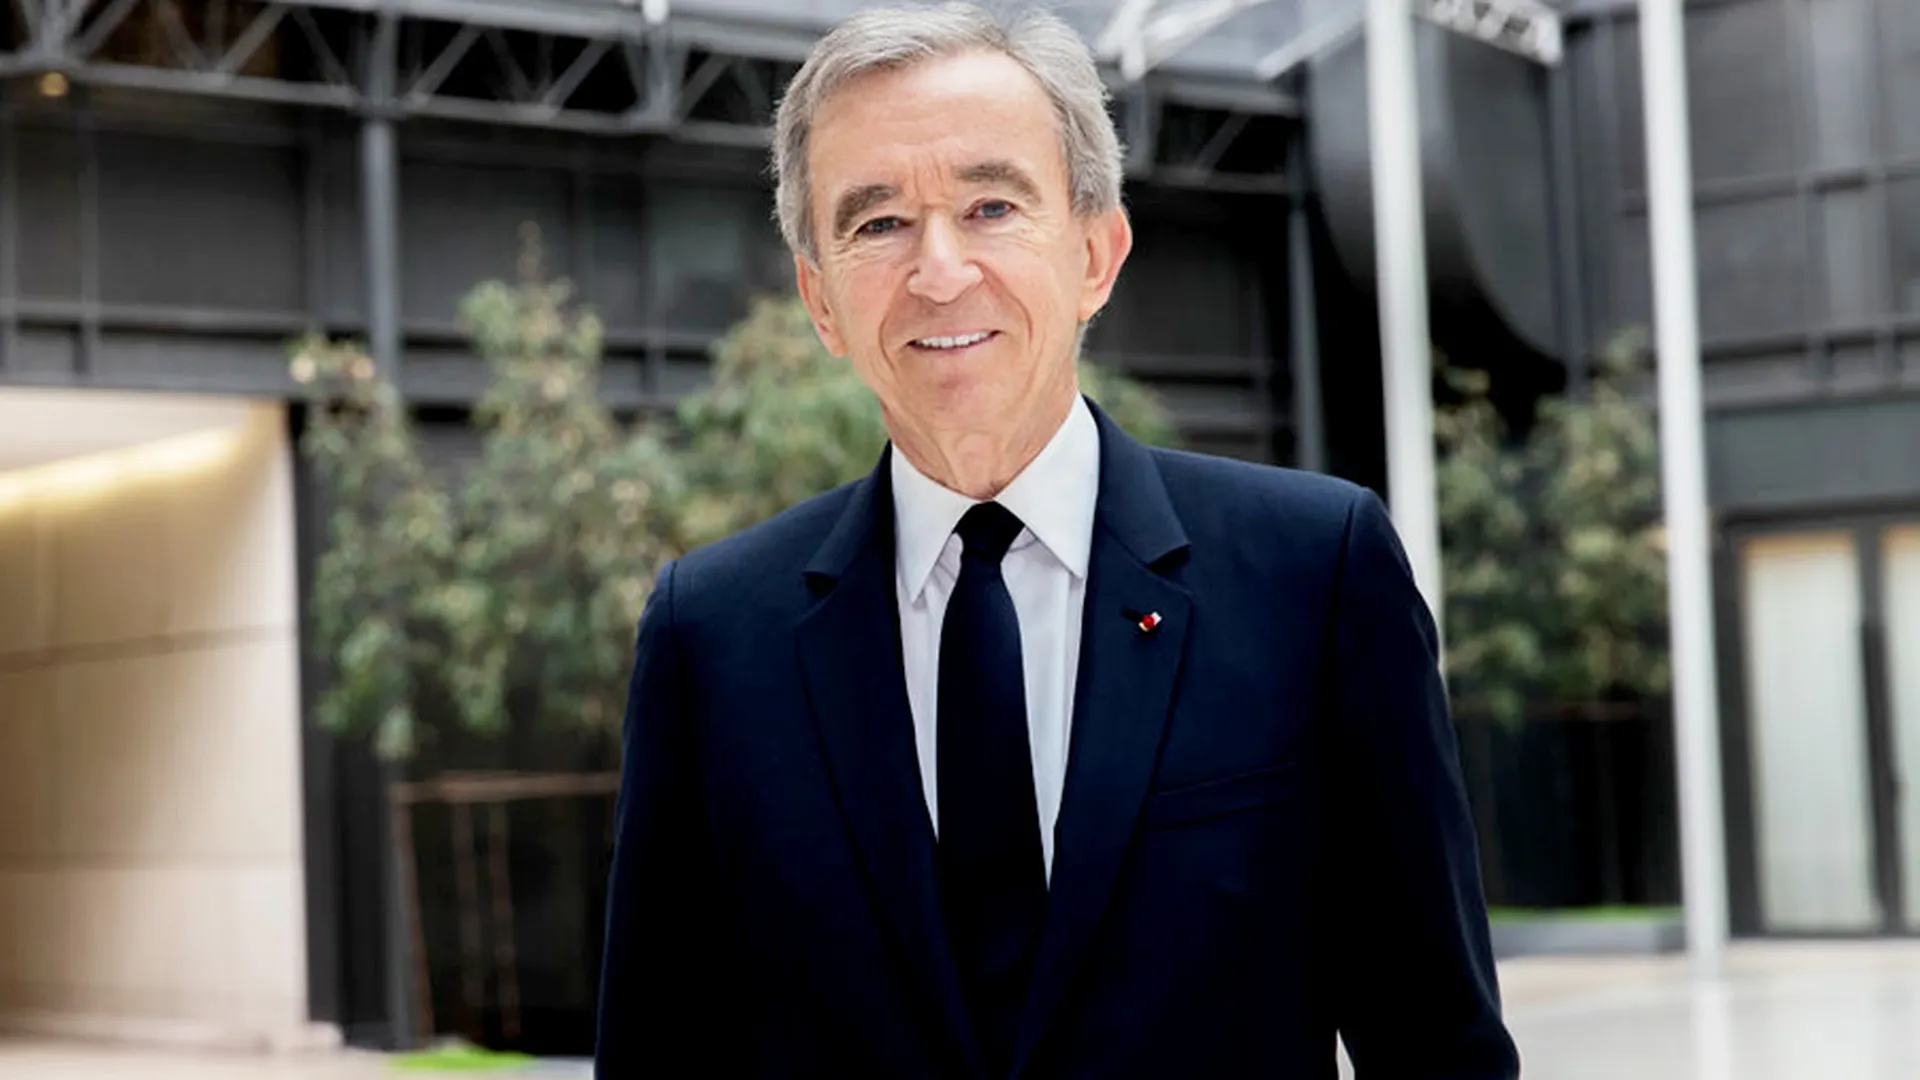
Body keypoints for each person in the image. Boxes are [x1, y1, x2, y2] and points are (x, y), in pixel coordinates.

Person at [595, 4, 1518, 1077]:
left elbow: (1438, 1047)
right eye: (878, 223)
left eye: (991, 206)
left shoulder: (1316, 572)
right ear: (820, 299)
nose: (940, 270)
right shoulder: (711, 636)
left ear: (1096, 253)